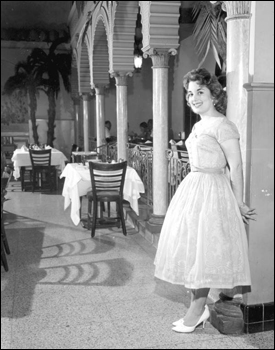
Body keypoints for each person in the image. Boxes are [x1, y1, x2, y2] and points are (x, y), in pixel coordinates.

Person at [154, 68, 256, 333]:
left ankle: (196, 311)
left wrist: (239, 202)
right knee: (193, 251)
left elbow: (236, 166)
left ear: (214, 94)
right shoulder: (198, 125)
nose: (194, 98)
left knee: (205, 254)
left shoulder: (223, 125)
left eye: (200, 92)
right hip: (194, 188)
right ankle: (196, 310)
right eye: (190, 93)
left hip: (213, 190)